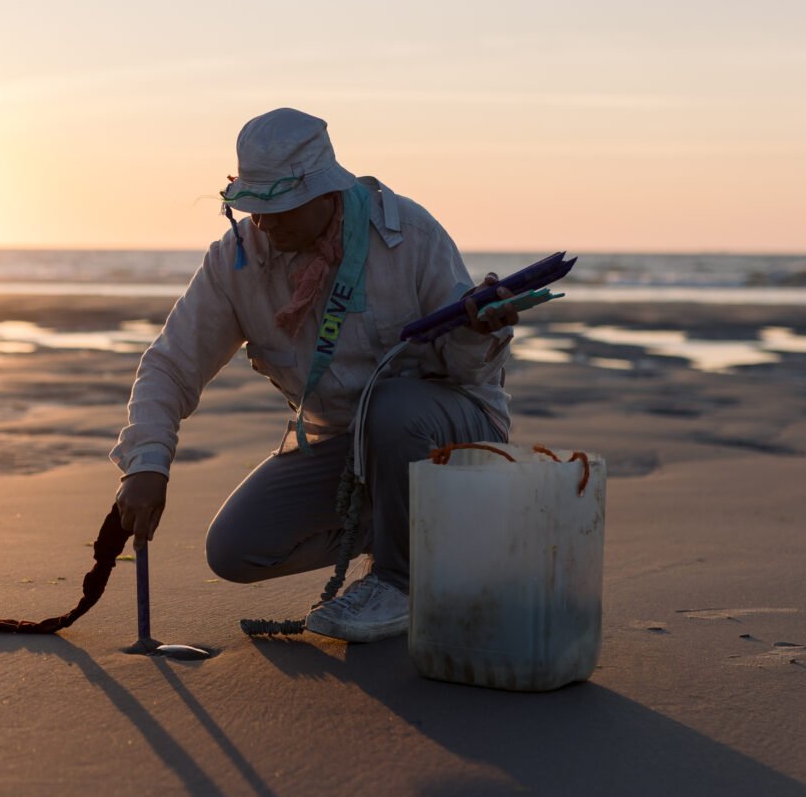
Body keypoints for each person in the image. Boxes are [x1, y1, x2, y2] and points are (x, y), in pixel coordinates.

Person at [112, 107, 517, 642]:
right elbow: (170, 363)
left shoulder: (409, 234)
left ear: (327, 193)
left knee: (392, 408)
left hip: (451, 432)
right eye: (255, 207)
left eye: (281, 207)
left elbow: (467, 371)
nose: (265, 222)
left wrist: (478, 331)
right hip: (345, 444)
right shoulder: (236, 260)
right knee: (235, 549)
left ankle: (402, 581)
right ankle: (422, 532)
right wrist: (146, 463)